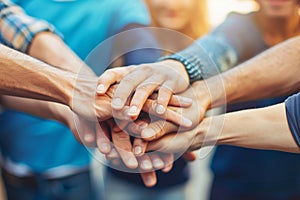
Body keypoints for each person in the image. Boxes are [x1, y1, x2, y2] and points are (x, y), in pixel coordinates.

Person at [97, 0, 300, 198]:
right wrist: (181, 67)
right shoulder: (240, 26)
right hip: (232, 179)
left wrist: (197, 126)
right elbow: (220, 45)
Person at [0, 0, 174, 199]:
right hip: (15, 163)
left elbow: (140, 47)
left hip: (74, 165)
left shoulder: (119, 4)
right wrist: (76, 88)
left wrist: (150, 91)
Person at [103, 1, 210, 199]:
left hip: (174, 178)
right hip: (122, 175)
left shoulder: (207, 50)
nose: (171, 4)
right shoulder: (128, 40)